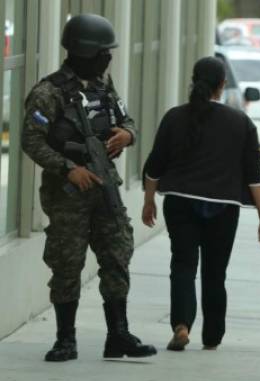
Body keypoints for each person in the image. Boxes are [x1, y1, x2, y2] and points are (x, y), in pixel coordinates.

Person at [21, 14, 157, 362]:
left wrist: (127, 134)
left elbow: (124, 118)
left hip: (104, 187)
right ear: (84, 51)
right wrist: (68, 169)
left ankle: (119, 335)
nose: (108, 58)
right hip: (68, 195)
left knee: (117, 253)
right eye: (103, 52)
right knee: (67, 262)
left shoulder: (102, 86)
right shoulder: (48, 92)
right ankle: (65, 339)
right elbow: (31, 142)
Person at [142, 56, 260, 352]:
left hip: (179, 202)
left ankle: (182, 326)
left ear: (193, 81)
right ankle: (212, 337)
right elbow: (254, 177)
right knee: (215, 273)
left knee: (183, 265)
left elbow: (154, 166)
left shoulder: (174, 117)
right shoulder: (241, 122)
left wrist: (149, 200)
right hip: (222, 208)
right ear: (222, 85)